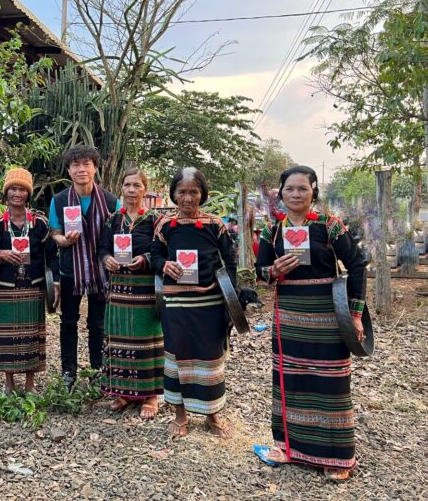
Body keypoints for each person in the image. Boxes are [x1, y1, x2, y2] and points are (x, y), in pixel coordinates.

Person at [255, 165, 366, 481]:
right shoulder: (272, 231)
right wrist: (274, 271)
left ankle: (338, 457)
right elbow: (260, 271)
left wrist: (355, 314)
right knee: (291, 381)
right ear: (281, 193)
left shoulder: (329, 226)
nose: (295, 194)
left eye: (302, 188)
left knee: (330, 382)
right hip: (289, 317)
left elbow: (357, 265)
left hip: (329, 315)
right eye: (289, 189)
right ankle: (289, 448)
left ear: (313, 191)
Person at [151, 167, 237, 439]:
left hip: (209, 300)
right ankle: (180, 414)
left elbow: (230, 260)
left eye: (194, 192)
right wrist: (165, 265)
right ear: (174, 194)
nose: (188, 198)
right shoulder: (165, 225)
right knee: (177, 355)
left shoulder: (215, 224)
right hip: (176, 302)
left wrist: (231, 299)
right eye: (182, 192)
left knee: (211, 356)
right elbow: (155, 256)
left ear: (203, 194)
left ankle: (213, 413)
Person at [49, 145, 118, 387]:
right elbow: (55, 233)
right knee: (68, 321)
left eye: (87, 164)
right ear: (68, 170)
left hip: (101, 272)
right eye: (75, 165)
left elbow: (119, 234)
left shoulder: (111, 201)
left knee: (97, 323)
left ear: (95, 168)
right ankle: (69, 371)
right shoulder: (59, 200)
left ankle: (98, 369)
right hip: (71, 270)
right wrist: (64, 241)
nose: (81, 169)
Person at [0, 168, 59, 394]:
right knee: (6, 337)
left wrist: (55, 283)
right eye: (13, 189)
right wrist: (1, 255)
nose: (17, 194)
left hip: (33, 285)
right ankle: (8, 383)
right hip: (7, 287)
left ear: (28, 194)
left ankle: (30, 384)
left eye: (22, 190)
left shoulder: (40, 223)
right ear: (6, 193)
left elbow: (52, 255)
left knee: (31, 336)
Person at [98, 168, 164, 419]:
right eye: (127, 185)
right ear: (122, 189)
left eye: (137, 185)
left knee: (147, 340)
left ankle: (150, 395)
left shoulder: (155, 221)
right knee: (121, 340)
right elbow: (102, 248)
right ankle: (125, 392)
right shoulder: (113, 220)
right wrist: (107, 259)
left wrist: (145, 259)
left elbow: (162, 251)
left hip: (146, 290)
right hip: (118, 289)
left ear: (145, 190)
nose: (131, 190)